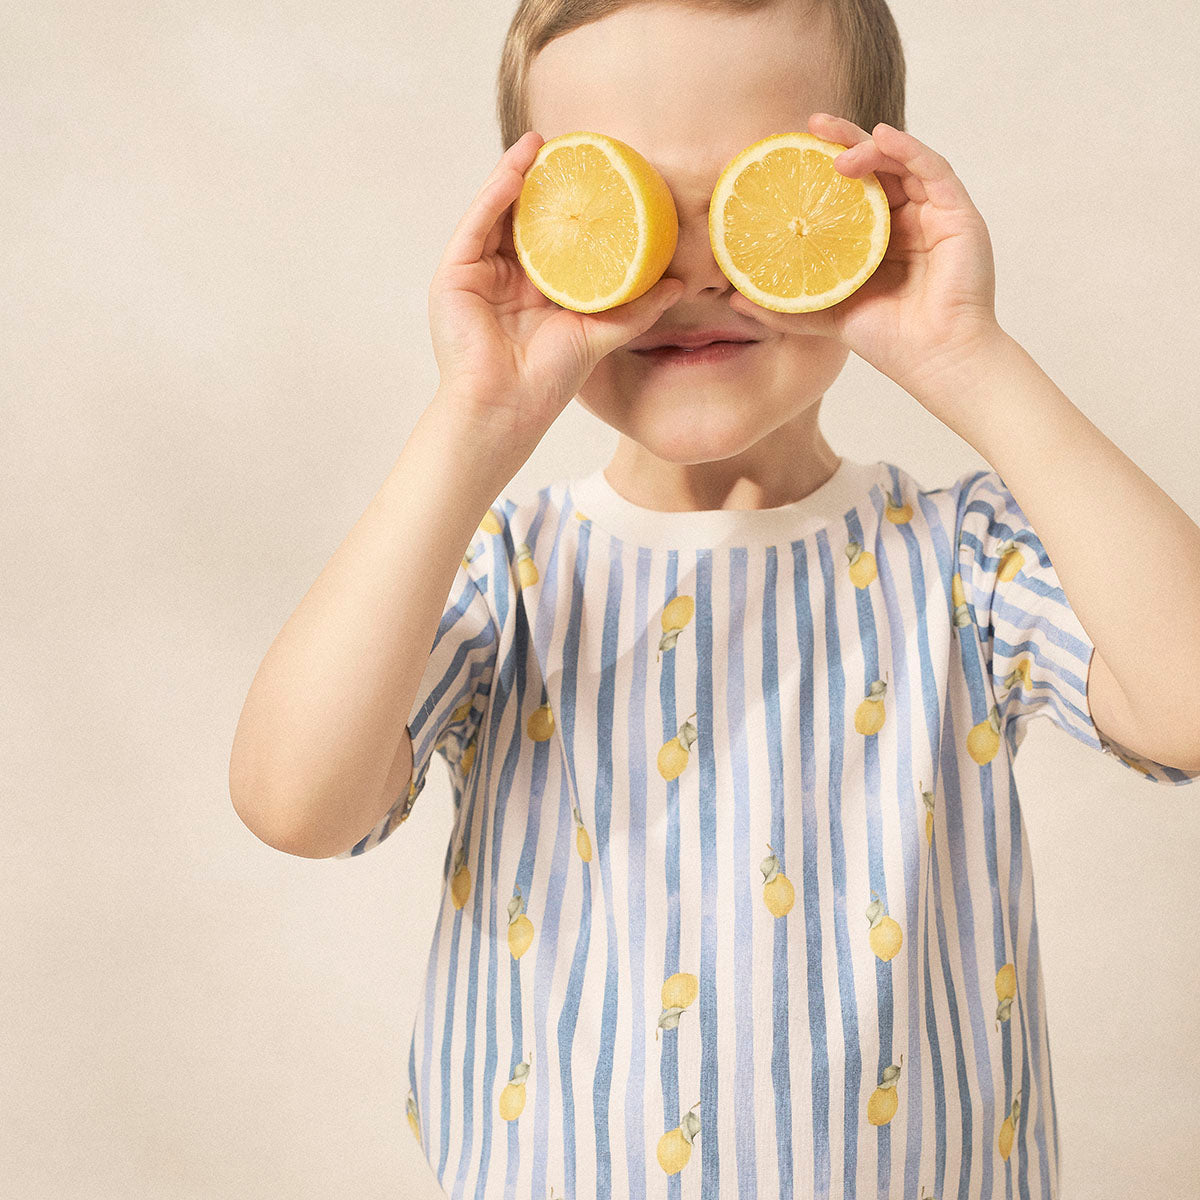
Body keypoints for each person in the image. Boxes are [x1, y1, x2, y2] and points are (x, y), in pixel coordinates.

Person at [228, 1, 1200, 1195]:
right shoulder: (508, 576)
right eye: (619, 204)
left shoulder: (959, 561)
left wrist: (967, 356)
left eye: (755, 193)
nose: (687, 270)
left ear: (869, 210)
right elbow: (296, 801)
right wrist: (476, 420)